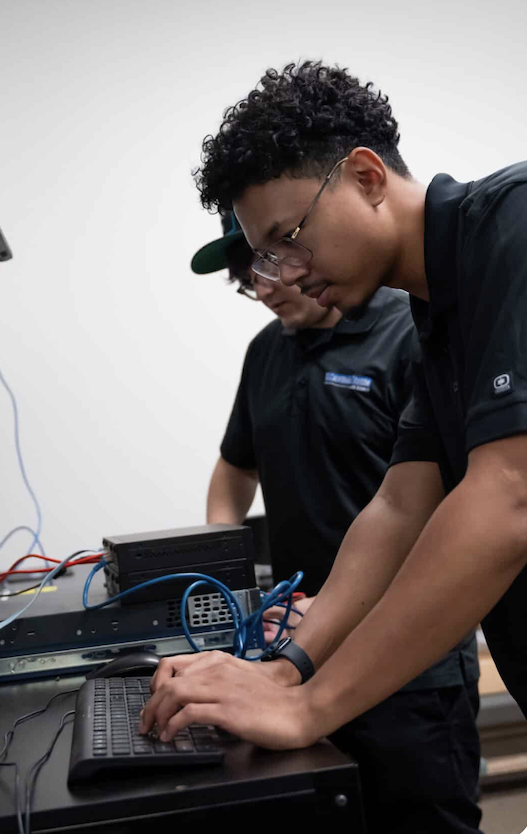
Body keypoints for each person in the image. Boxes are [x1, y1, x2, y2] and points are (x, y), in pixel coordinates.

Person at [142, 59, 527, 781]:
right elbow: (399, 506)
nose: (283, 274)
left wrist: (310, 708)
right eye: (265, 257)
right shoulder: (439, 314)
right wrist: (287, 671)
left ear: (367, 177)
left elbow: (510, 497)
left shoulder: (514, 222)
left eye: (290, 236)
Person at [191, 217, 481, 833]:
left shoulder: (410, 332)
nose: (264, 289)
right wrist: (226, 564)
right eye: (248, 280)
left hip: (410, 661)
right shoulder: (266, 352)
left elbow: (437, 504)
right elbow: (233, 467)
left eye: (269, 267)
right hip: (300, 647)